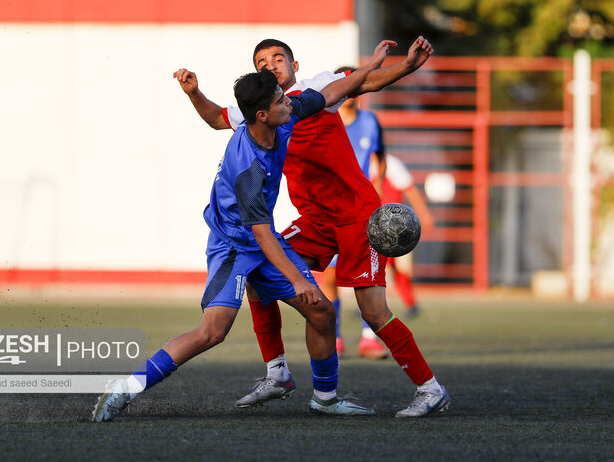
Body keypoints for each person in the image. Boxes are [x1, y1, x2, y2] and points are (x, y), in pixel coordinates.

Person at [92, 42, 393, 422]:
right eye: (284, 102)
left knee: (320, 311)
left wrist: (369, 68)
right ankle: (126, 388)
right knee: (212, 332)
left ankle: (325, 398)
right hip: (235, 246)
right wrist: (296, 279)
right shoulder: (248, 170)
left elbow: (331, 92)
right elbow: (263, 236)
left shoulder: (277, 116)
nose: (292, 103)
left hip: (260, 237)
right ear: (264, 115)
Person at [175, 36, 451, 418]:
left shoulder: (316, 89)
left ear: (294, 65)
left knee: (372, 312)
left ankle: (429, 388)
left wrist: (406, 66)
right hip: (317, 221)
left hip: (357, 217)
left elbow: (365, 82)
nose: (271, 64)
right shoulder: (258, 109)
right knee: (257, 272)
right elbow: (213, 117)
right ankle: (277, 373)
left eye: (278, 58)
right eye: (262, 61)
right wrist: (194, 91)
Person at [323, 69, 389, 359]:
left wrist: (377, 192)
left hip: (363, 210)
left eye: (358, 84)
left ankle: (368, 339)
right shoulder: (324, 122)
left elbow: (381, 158)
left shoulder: (371, 122)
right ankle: (334, 337)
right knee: (330, 276)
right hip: (331, 209)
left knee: (367, 274)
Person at [371, 153, 435, 318]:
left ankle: (410, 302)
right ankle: (370, 303)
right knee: (375, 265)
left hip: (396, 225)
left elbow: (410, 190)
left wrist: (424, 215)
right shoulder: (359, 160)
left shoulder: (391, 164)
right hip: (375, 225)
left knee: (399, 267)